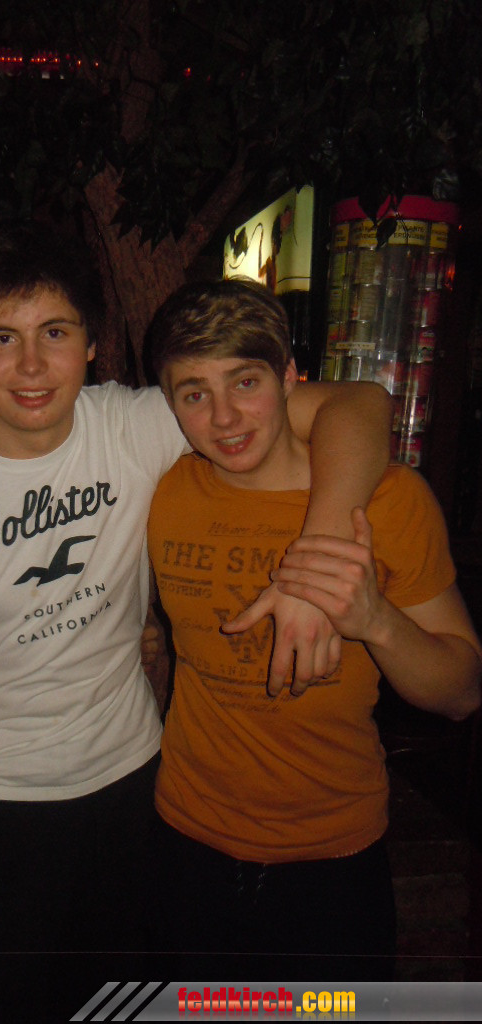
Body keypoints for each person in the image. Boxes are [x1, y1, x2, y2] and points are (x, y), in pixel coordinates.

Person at [0, 221, 393, 1024]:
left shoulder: (135, 425)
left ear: (94, 344)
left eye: (55, 333)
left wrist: (317, 568)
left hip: (133, 795)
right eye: (2, 338)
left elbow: (358, 403)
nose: (30, 366)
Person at [144, 278, 482, 980]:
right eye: (194, 394)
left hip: (332, 861)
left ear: (293, 378)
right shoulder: (163, 492)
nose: (224, 417)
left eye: (246, 382)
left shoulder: (387, 501)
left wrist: (375, 619)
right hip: (184, 843)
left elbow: (462, 693)